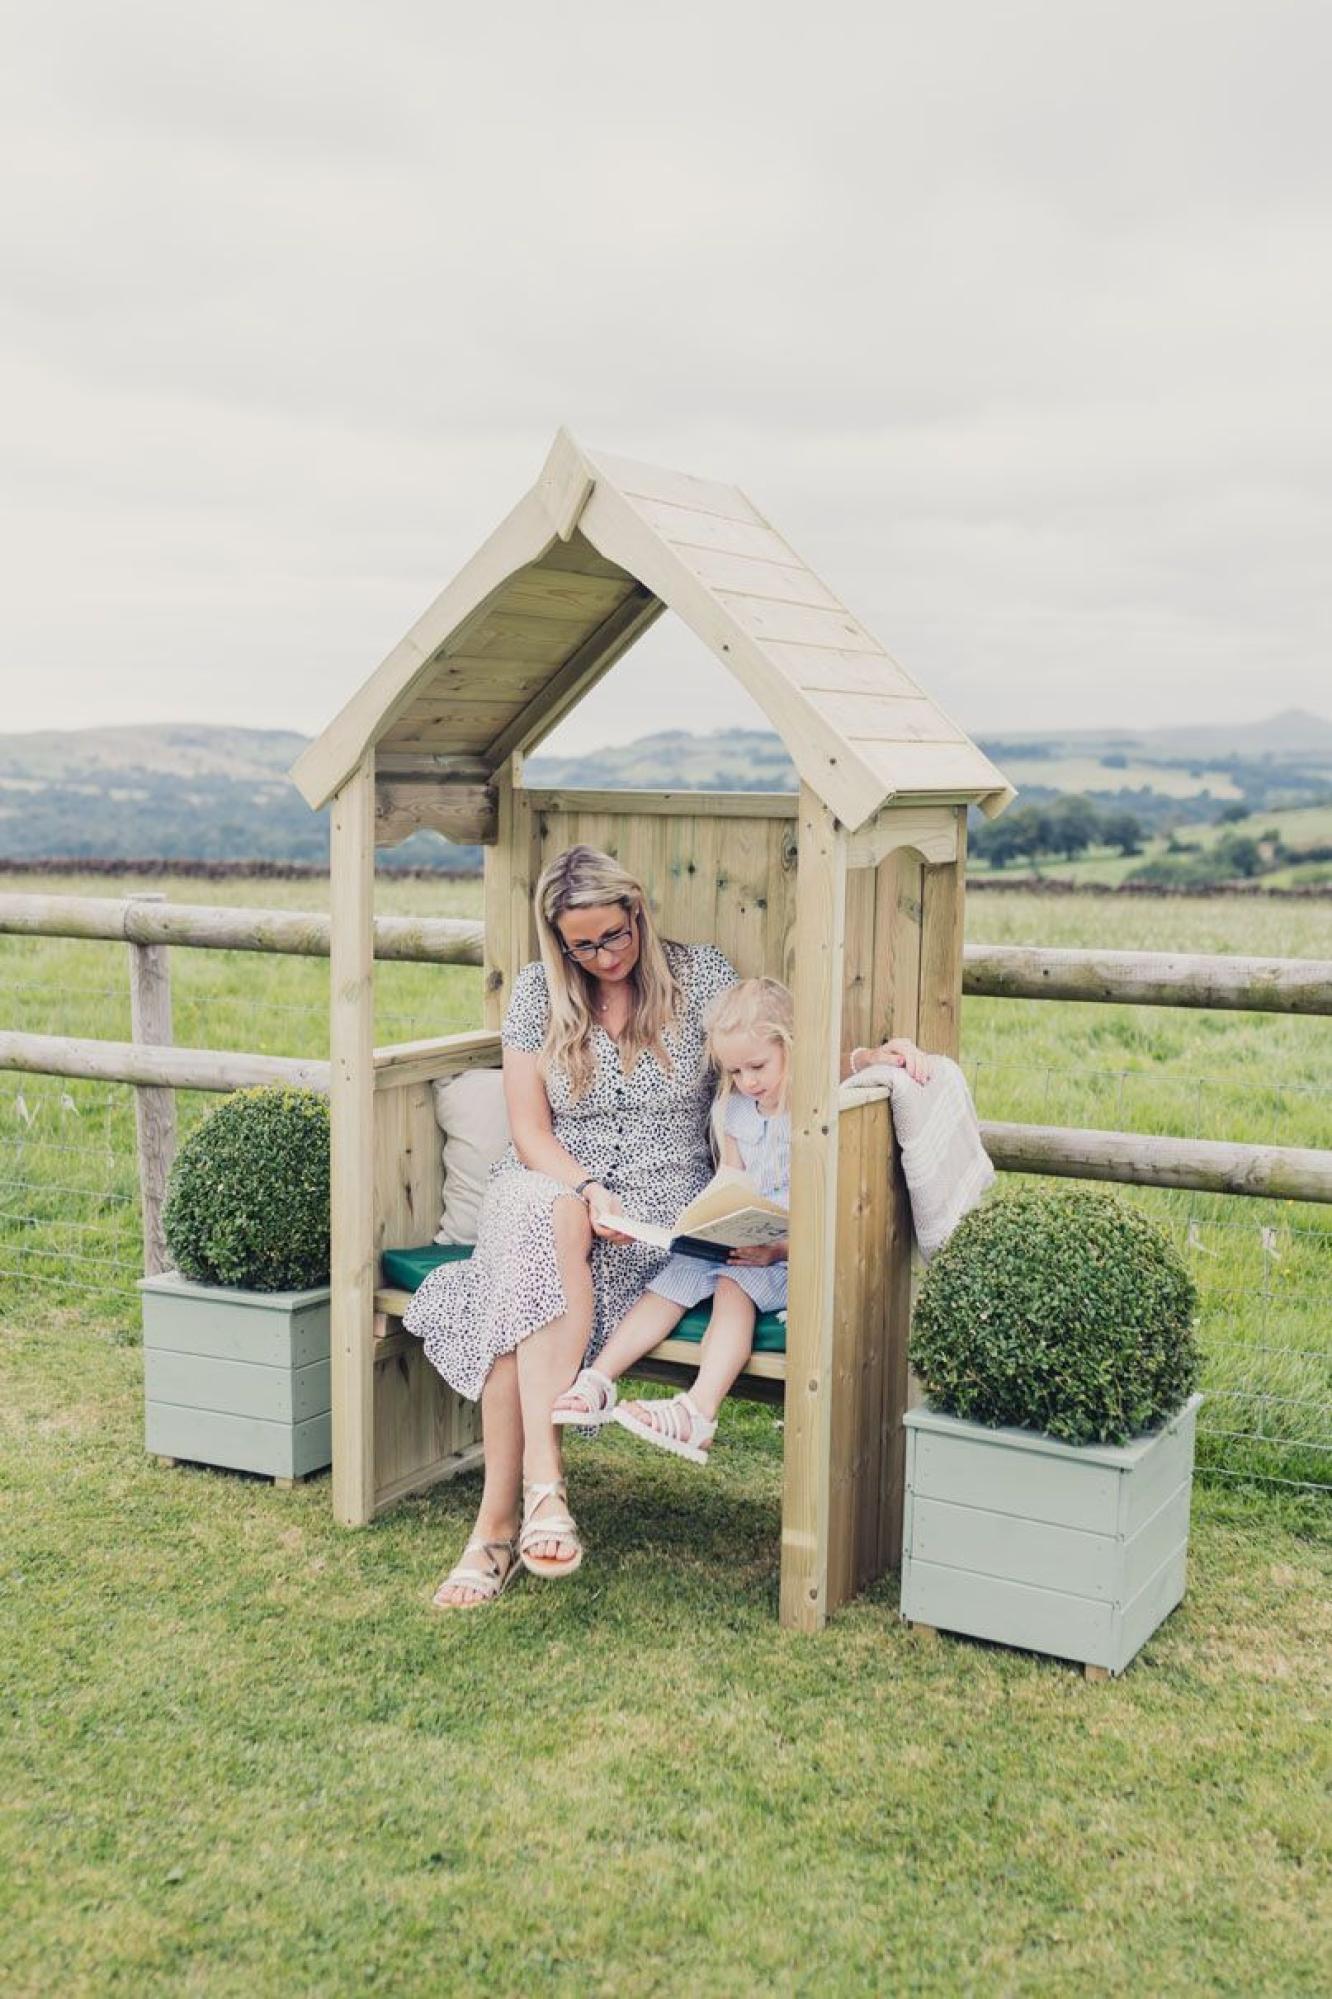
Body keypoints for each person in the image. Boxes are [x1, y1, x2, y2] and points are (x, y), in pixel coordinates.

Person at [405, 845, 737, 1607]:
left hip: (648, 1222)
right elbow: (529, 1131)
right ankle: (544, 1489)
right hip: (552, 1183)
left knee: (526, 1306)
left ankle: (496, 1529)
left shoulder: (703, 978)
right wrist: (587, 1189)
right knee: (540, 1216)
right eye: (580, 944)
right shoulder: (538, 992)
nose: (601, 956)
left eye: (612, 936)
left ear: (638, 912)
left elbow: (773, 1048)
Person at [551, 977, 930, 1461]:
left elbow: (846, 1076)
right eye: (735, 1069)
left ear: (791, 1046)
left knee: (733, 1284)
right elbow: (731, 1178)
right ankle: (598, 1380)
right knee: (674, 1278)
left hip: (790, 1253)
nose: (748, 1080)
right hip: (742, 1237)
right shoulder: (736, 1108)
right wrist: (700, 1226)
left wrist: (877, 1055)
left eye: (758, 1066)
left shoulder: (814, 1104)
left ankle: (698, 1412)